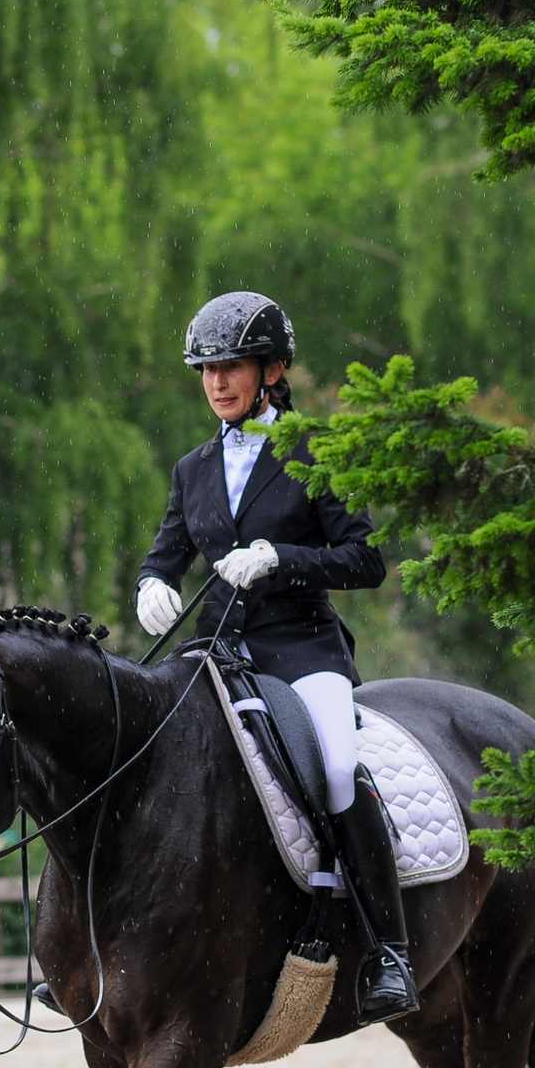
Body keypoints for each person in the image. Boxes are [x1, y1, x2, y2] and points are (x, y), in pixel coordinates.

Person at [135, 291, 420, 1024]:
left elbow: (366, 560)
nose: (217, 383)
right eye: (206, 370)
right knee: (142, 758)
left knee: (335, 767)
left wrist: (279, 558)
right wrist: (151, 586)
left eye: (230, 367)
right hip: (215, 651)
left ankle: (389, 951)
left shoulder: (314, 451)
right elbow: (166, 554)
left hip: (300, 648)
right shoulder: (193, 468)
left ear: (272, 370)